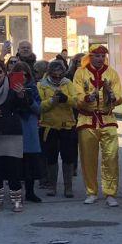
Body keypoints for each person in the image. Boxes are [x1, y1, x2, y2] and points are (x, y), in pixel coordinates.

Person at [73, 44, 122, 207]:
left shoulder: (112, 73)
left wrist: (112, 97)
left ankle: (110, 192)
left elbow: (119, 96)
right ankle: (91, 191)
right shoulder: (80, 73)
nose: (100, 58)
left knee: (111, 156)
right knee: (88, 158)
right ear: (91, 56)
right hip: (87, 121)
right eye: (97, 55)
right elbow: (77, 96)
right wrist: (88, 98)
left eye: (103, 56)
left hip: (107, 119)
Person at [0, 60, 31, 212]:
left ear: (5, 73)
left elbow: (25, 107)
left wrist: (21, 95)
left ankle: (17, 200)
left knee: (14, 170)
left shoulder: (13, 87)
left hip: (12, 134)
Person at [39, 60, 78, 198]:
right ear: (49, 72)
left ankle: (68, 188)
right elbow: (40, 106)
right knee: (51, 157)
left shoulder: (68, 83)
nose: (57, 77)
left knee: (68, 157)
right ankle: (52, 187)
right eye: (54, 74)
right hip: (49, 127)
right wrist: (52, 101)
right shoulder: (41, 85)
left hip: (67, 126)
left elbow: (76, 102)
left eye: (60, 74)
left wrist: (65, 98)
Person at [10, 62, 44, 203]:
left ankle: (30, 192)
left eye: (25, 75)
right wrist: (17, 97)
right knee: (16, 164)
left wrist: (27, 99)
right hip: (16, 127)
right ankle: (16, 192)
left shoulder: (32, 88)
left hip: (30, 129)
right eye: (19, 75)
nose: (22, 78)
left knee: (31, 163)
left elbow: (39, 109)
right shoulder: (9, 89)